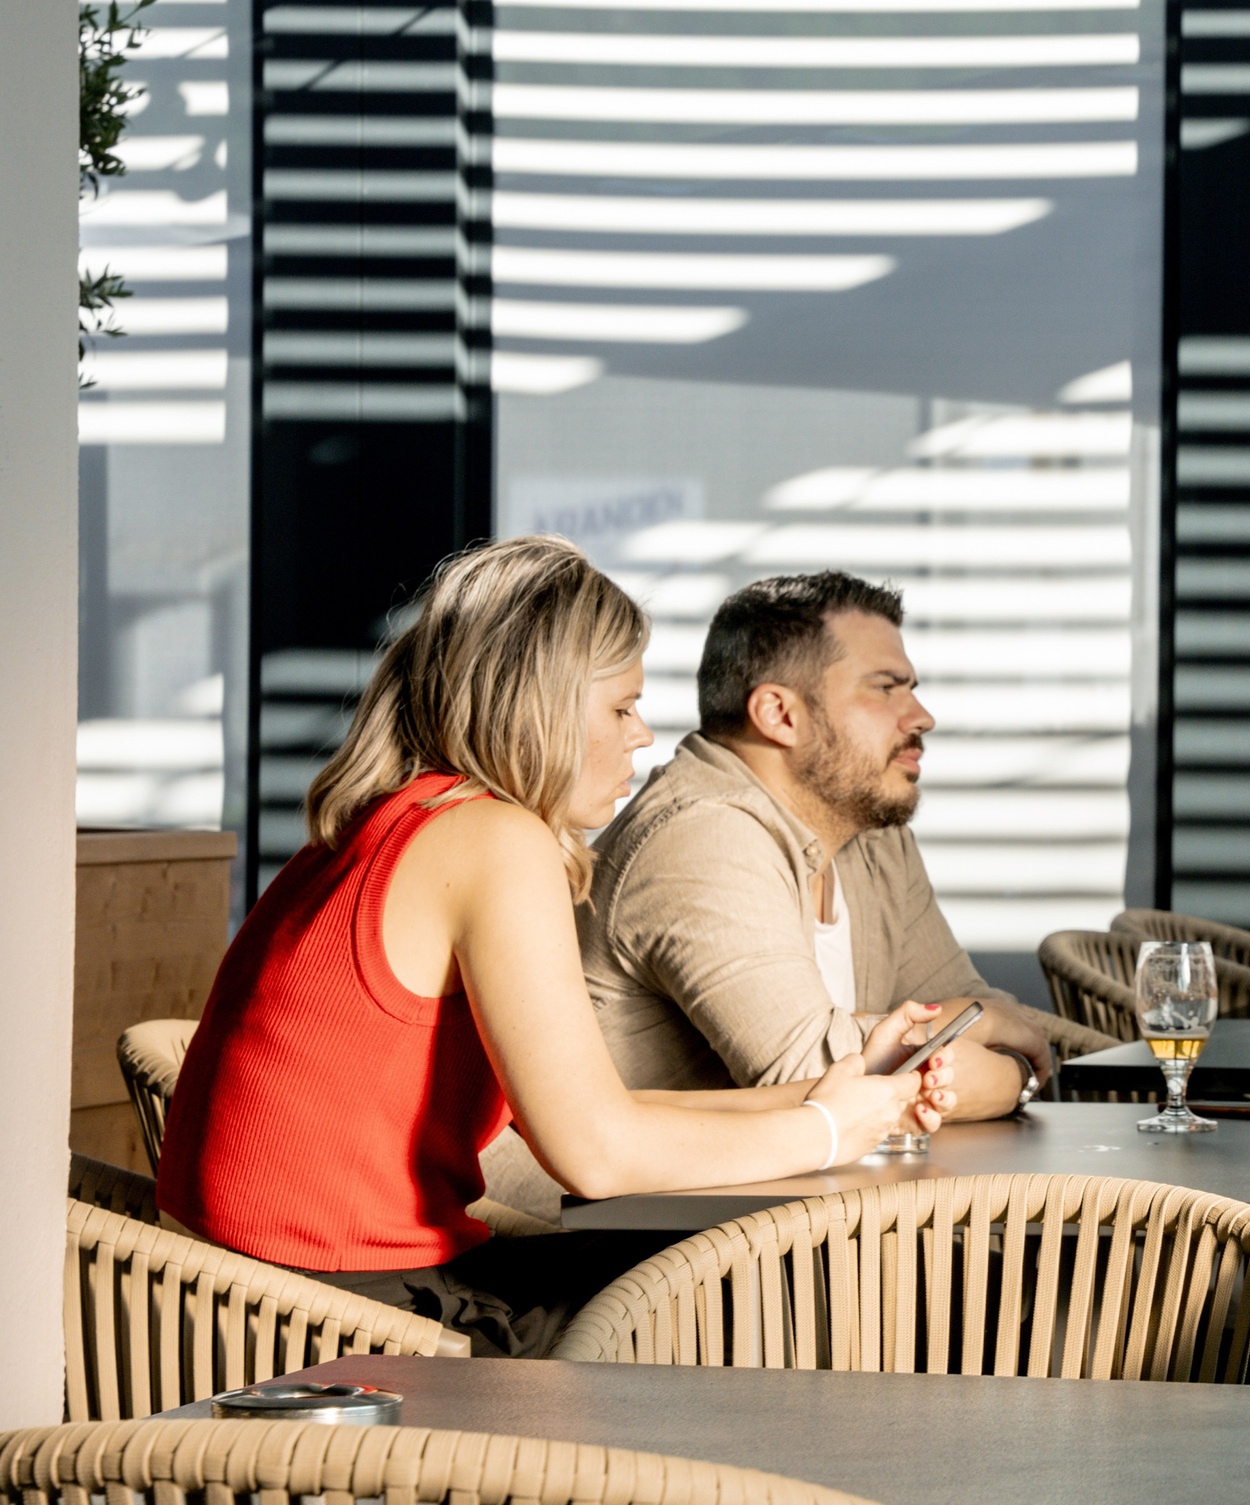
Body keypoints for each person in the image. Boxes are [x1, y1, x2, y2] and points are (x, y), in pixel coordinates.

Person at [156, 537, 957, 1358]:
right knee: (774, 1292)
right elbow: (597, 1156)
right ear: (540, 707)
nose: (643, 735)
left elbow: (602, 1111)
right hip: (337, 1329)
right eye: (621, 708)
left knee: (731, 1277)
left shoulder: (397, 817)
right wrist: (826, 1133)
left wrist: (836, 1098)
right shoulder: (493, 841)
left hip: (260, 1302)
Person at [578, 570, 1059, 1117]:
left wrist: (1005, 1065)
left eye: (911, 689)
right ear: (780, 715)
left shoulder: (872, 836)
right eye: (885, 689)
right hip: (644, 1178)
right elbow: (813, 1083)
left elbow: (1008, 1037)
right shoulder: (701, 836)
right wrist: (987, 1030)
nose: (921, 717)